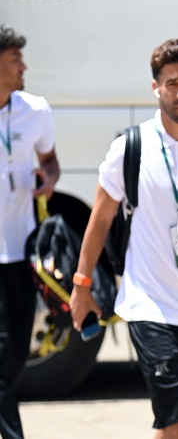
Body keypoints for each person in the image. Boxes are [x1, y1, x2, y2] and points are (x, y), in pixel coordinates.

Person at [69, 38, 178, 439]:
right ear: (156, 88)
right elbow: (99, 220)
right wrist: (81, 285)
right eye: (172, 83)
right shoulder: (130, 148)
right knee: (176, 418)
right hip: (150, 306)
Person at [0, 25, 60, 439]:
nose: (24, 67)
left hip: (21, 253)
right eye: (14, 60)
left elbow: (50, 161)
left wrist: (48, 179)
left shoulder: (35, 110)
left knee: (17, 352)